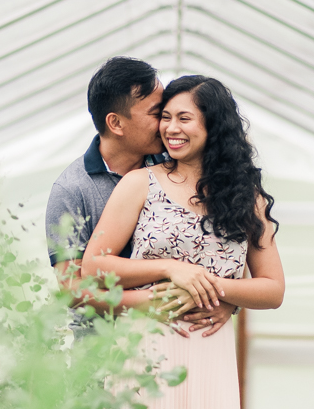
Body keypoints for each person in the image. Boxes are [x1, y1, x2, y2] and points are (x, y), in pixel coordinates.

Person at [81, 75, 285, 409]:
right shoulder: (140, 184)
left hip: (209, 356)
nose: (171, 128)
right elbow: (94, 266)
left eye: (184, 118)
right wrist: (172, 269)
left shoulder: (244, 199)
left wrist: (220, 291)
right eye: (165, 117)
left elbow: (272, 289)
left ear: (213, 126)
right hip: (144, 353)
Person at [46, 57, 237, 334]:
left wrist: (226, 300)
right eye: (157, 113)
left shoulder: (177, 164)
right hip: (100, 354)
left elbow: (221, 248)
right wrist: (157, 301)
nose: (167, 125)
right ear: (116, 123)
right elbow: (73, 289)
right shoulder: (71, 190)